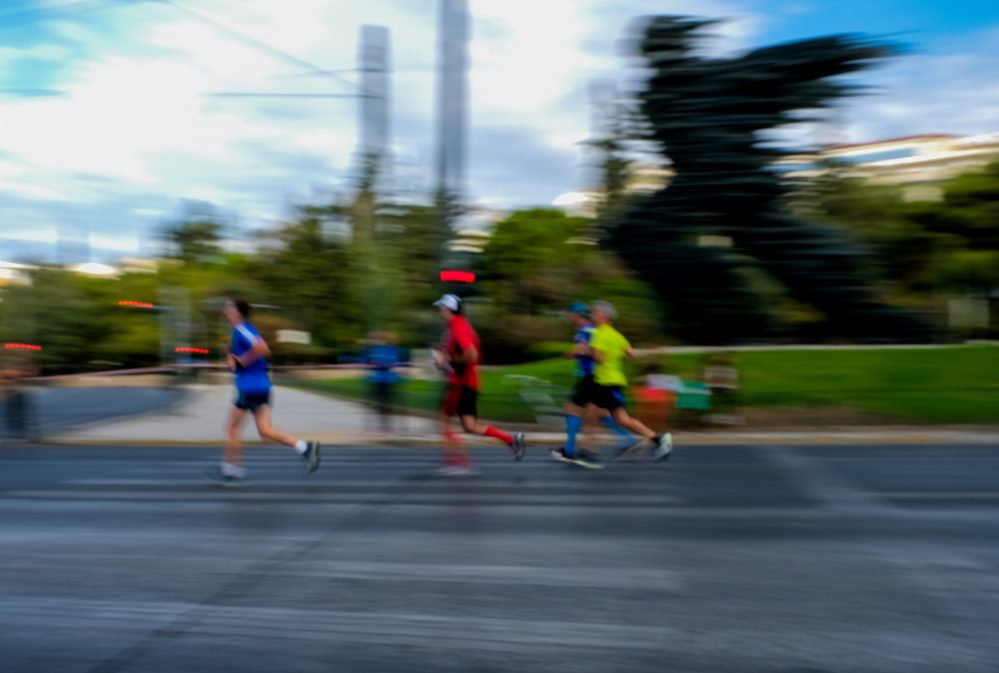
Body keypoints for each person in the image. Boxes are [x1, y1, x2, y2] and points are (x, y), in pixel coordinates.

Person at [207, 299, 320, 486]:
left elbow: (262, 348)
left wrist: (241, 361)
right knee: (265, 430)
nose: (225, 311)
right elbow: (239, 365)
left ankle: (232, 472)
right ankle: (306, 448)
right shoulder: (238, 331)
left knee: (232, 428)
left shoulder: (243, 329)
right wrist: (232, 358)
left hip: (250, 388)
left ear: (237, 313)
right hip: (262, 386)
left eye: (229, 308)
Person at [431, 294, 526, 476]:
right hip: (468, 383)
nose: (439, 311)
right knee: (469, 426)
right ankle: (511, 440)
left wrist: (447, 359)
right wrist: (442, 358)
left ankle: (458, 463)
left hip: (460, 383)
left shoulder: (459, 327)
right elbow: (454, 354)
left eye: (441, 307)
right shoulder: (455, 327)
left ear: (449, 309)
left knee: (443, 422)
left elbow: (471, 355)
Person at [586, 300, 672, 462]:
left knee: (591, 414)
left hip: (605, 382)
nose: (592, 316)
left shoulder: (598, 334)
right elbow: (631, 355)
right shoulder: (618, 335)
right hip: (615, 382)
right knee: (622, 420)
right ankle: (659, 439)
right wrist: (616, 356)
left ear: (603, 316)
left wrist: (590, 350)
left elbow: (599, 359)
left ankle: (589, 452)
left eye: (594, 313)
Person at [550, 302, 634, 468]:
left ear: (576, 315)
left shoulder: (586, 331)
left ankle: (570, 450)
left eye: (569, 313)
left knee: (572, 410)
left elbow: (582, 351)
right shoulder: (591, 329)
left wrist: (568, 354)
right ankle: (626, 440)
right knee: (598, 412)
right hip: (595, 377)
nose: (567, 317)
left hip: (591, 377)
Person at [365, 331, 406, 434]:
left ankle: (385, 425)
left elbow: (392, 363)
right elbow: (371, 362)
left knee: (385, 404)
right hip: (379, 379)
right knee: (382, 404)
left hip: (386, 379)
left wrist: (379, 364)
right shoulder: (376, 350)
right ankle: (383, 425)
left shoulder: (390, 350)